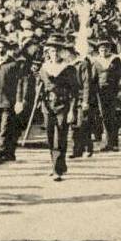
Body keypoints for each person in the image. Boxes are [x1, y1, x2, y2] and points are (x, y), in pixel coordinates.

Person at [38, 37, 79, 180]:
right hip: (47, 105)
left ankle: (57, 170)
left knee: (60, 136)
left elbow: (74, 91)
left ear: (61, 52)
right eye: (51, 51)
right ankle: (56, 164)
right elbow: (40, 86)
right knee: (50, 136)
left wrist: (72, 111)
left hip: (63, 105)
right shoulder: (43, 68)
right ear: (47, 52)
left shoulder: (69, 69)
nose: (54, 54)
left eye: (56, 51)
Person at [0, 38, 26, 164]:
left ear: (6, 49)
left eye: (2, 47)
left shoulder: (13, 64)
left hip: (8, 101)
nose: (0, 49)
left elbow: (19, 84)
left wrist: (19, 100)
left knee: (5, 128)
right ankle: (10, 153)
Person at [91, 38, 121, 152]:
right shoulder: (96, 62)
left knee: (114, 116)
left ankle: (114, 143)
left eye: (106, 49)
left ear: (110, 49)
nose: (103, 51)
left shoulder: (116, 60)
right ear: (98, 51)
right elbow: (93, 78)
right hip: (100, 92)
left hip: (113, 91)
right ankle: (107, 143)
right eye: (101, 50)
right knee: (104, 117)